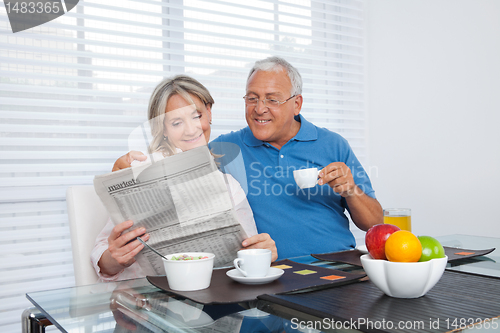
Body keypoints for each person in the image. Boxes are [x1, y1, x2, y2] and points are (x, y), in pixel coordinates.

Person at [113, 57, 383, 260]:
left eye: (271, 99)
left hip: (336, 267)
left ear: (296, 104)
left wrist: (351, 190)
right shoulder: (223, 148)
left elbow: (374, 223)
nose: (259, 109)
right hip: (268, 275)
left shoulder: (332, 144)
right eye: (251, 98)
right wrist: (124, 170)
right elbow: (170, 162)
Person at [92, 75, 277, 282]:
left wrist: (263, 252)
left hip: (211, 297)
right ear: (163, 129)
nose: (191, 129)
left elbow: (248, 251)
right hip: (147, 300)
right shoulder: (142, 174)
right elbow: (102, 256)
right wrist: (115, 259)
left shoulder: (230, 185)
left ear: (209, 113)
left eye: (197, 116)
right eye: (177, 122)